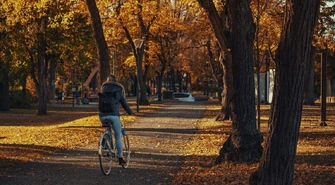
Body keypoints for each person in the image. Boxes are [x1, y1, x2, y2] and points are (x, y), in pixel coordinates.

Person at [99, 74, 134, 165]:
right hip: (114, 116)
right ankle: (121, 158)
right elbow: (124, 104)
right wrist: (130, 112)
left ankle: (104, 145)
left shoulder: (103, 88)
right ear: (116, 81)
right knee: (118, 136)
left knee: (108, 129)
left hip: (102, 116)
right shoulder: (119, 89)